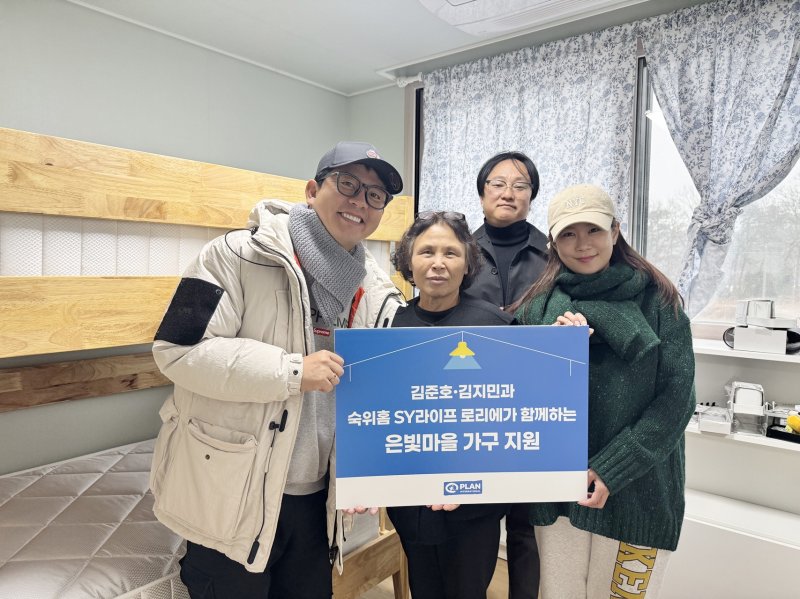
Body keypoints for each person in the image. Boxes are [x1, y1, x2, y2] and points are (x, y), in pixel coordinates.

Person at [148, 142, 405, 599]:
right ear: (312, 190)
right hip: (232, 489)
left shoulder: (376, 290)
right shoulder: (233, 255)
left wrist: (367, 471)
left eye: (375, 195)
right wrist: (291, 371)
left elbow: (374, 394)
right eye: (348, 184)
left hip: (317, 499)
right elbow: (177, 350)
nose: (360, 202)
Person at [511, 184, 696, 599]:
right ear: (553, 243)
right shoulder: (537, 308)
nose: (582, 244)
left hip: (638, 491)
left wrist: (613, 468)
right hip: (558, 495)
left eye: (593, 230)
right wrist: (552, 351)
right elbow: (518, 399)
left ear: (615, 231)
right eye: (568, 234)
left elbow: (677, 400)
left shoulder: (660, 302)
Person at [387, 210, 514, 599]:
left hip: (474, 506)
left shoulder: (496, 326)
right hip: (410, 503)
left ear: (468, 263)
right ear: (409, 261)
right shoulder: (390, 325)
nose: (438, 263)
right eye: (427, 252)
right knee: (423, 588)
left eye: (451, 253)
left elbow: (513, 415)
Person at [465, 150, 548, 599]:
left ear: (531, 196)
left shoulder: (554, 254)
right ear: (482, 193)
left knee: (526, 526)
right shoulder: (459, 251)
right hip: (472, 402)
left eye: (520, 185)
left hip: (533, 403)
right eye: (497, 184)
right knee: (475, 523)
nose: (508, 193)